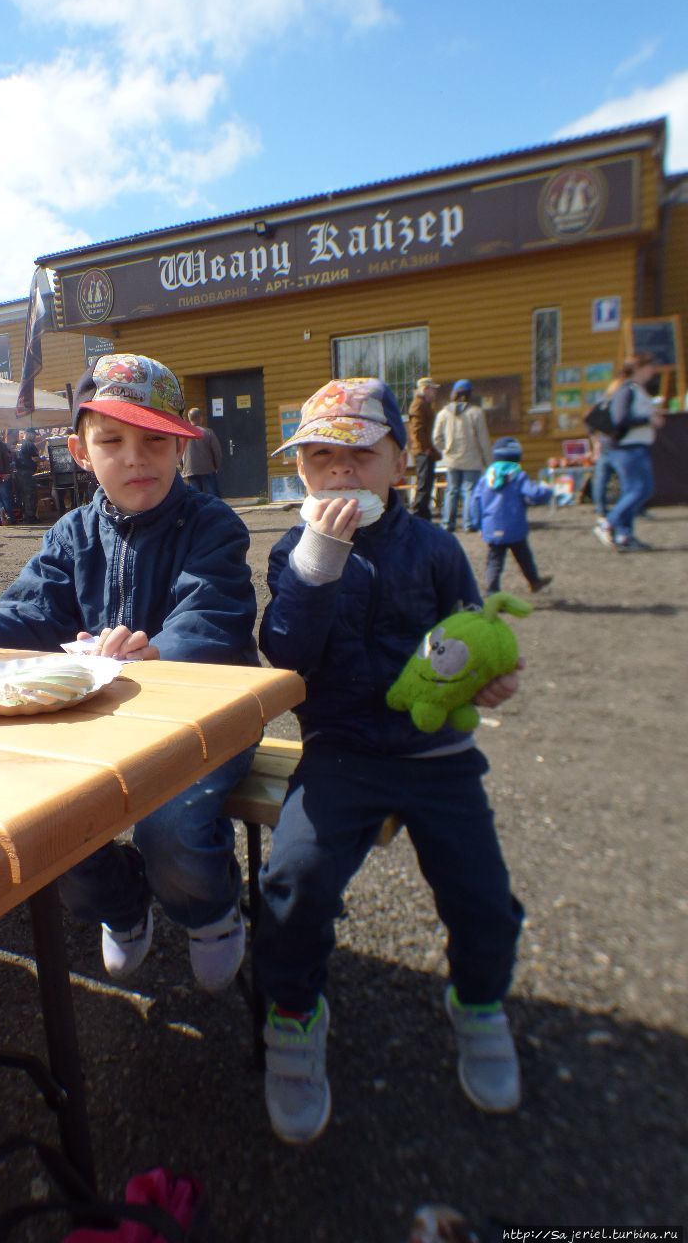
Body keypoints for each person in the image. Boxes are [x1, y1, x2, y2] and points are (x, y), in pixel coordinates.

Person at [255, 377, 524, 1145]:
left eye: (359, 455)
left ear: (400, 466)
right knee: (293, 880)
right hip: (341, 749)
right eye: (319, 457)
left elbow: (472, 637)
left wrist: (490, 677)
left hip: (437, 750)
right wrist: (317, 562)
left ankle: (478, 1001)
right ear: (300, 474)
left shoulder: (435, 548)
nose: (339, 473)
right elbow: (286, 657)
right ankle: (295, 1014)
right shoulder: (291, 550)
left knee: (482, 895)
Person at [0, 353, 258, 992]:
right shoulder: (70, 534)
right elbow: (26, 613)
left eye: (154, 441)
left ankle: (210, 908)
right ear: (82, 453)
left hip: (205, 717)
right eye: (112, 441)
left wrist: (157, 652)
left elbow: (214, 613)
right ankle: (119, 902)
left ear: (179, 447)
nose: (135, 458)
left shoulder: (211, 524)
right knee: (44, 820)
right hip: (100, 724)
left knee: (172, 825)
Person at [592, 353, 666, 552]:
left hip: (637, 447)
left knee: (642, 490)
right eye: (650, 366)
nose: (653, 370)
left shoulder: (638, 390)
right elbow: (620, 419)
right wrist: (648, 419)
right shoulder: (626, 390)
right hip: (626, 448)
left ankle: (624, 534)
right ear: (639, 368)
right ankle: (608, 524)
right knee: (636, 490)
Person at [469, 437, 553, 594]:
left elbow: (474, 501)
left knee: (494, 560)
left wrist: (477, 524)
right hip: (515, 527)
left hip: (492, 527)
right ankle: (534, 581)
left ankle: (492, 590)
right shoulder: (519, 476)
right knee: (524, 556)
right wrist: (548, 491)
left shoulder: (486, 478)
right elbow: (534, 494)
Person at [433, 379, 491, 534]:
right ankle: (468, 523)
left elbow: (436, 437)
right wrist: (488, 461)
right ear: (470, 393)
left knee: (451, 491)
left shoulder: (444, 413)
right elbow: (483, 439)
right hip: (472, 460)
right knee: (469, 491)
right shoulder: (476, 412)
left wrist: (445, 449)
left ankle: (448, 524)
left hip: (452, 459)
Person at [407, 376, 440, 520]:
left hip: (426, 451)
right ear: (426, 389)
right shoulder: (418, 405)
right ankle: (417, 515)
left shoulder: (424, 404)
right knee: (423, 485)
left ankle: (424, 516)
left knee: (427, 485)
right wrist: (424, 448)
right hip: (423, 452)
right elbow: (417, 430)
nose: (435, 393)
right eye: (433, 390)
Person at [180, 406, 223, 496]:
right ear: (201, 418)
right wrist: (217, 466)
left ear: (189, 418)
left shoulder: (183, 434)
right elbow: (217, 451)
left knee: (196, 498)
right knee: (211, 498)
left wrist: (183, 466)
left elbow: (179, 453)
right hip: (207, 469)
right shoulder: (208, 432)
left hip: (190, 470)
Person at [13, 426, 42, 522]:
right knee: (30, 495)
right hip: (28, 473)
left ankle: (25, 515)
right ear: (28, 434)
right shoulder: (30, 444)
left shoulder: (18, 444)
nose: (35, 437)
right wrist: (42, 459)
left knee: (22, 495)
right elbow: (35, 458)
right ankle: (30, 517)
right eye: (34, 435)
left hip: (18, 472)